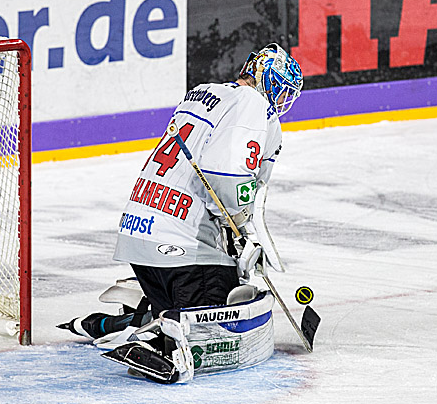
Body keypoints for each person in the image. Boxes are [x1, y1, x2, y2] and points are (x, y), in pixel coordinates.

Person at [58, 43, 303, 377]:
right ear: (265, 78)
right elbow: (225, 175)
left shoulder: (204, 92)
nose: (281, 98)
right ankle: (161, 337)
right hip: (184, 248)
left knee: (198, 292)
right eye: (280, 87)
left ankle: (131, 320)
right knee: (219, 318)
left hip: (140, 237)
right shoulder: (252, 103)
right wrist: (242, 229)